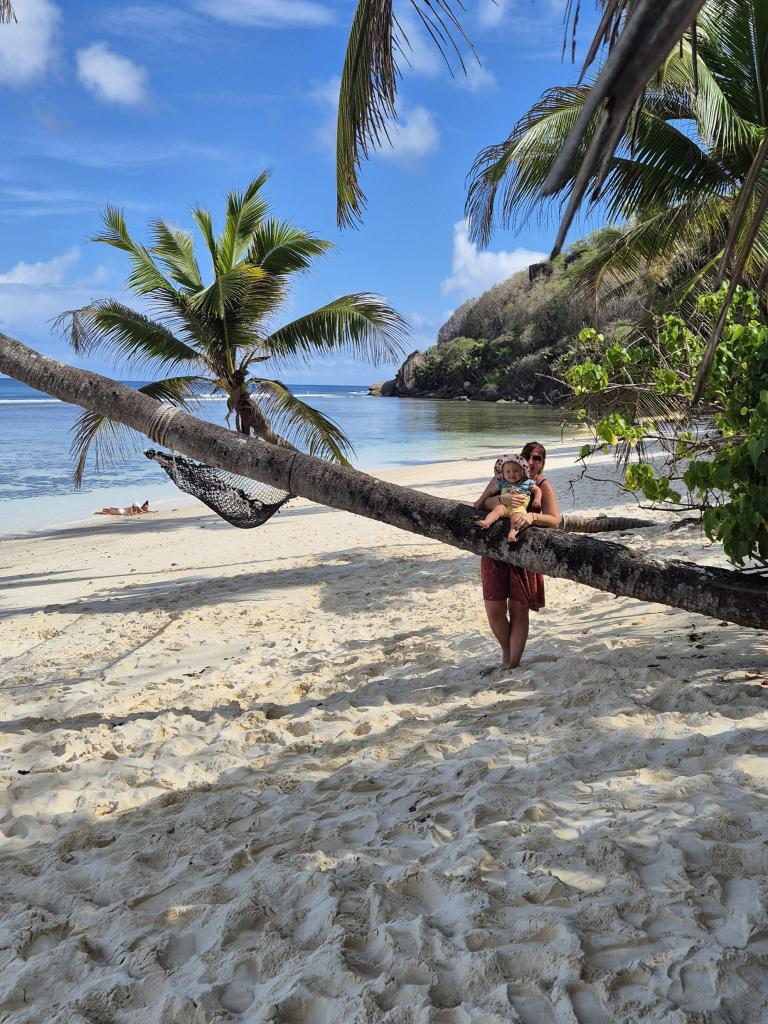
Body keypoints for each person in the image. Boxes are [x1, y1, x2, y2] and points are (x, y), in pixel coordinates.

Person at [476, 441, 561, 669]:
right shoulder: (503, 478)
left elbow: (555, 519)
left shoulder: (542, 485)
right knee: (494, 612)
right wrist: (500, 500)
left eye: (538, 458)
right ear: (520, 459)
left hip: (524, 555)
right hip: (493, 552)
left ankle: (512, 663)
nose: (532, 462)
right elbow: (482, 503)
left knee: (518, 612)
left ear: (542, 463)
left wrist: (532, 517)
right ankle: (507, 652)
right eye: (528, 457)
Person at [474, 454, 542, 541]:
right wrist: (480, 500)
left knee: (517, 519)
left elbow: (537, 490)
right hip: (504, 506)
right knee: (497, 510)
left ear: (523, 471)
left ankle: (512, 534)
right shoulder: (502, 482)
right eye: (508, 472)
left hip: (518, 507)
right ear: (503, 473)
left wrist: (537, 499)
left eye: (516, 471)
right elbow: (490, 491)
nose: (512, 474)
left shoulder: (526, 482)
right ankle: (487, 522)